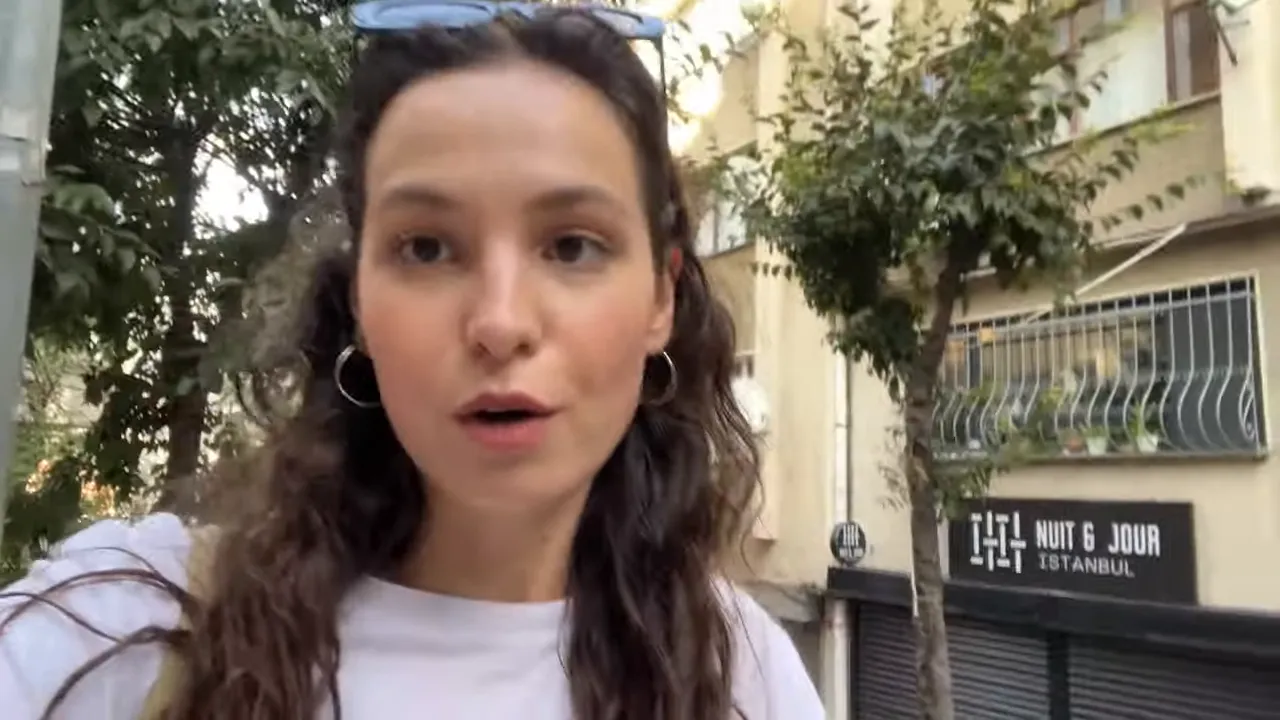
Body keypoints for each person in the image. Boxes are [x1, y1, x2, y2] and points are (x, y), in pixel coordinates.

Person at [0, 9, 824, 720]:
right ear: (358, 298)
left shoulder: (740, 677)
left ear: (660, 298)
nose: (500, 323)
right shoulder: (124, 629)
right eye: (426, 248)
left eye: (572, 246)